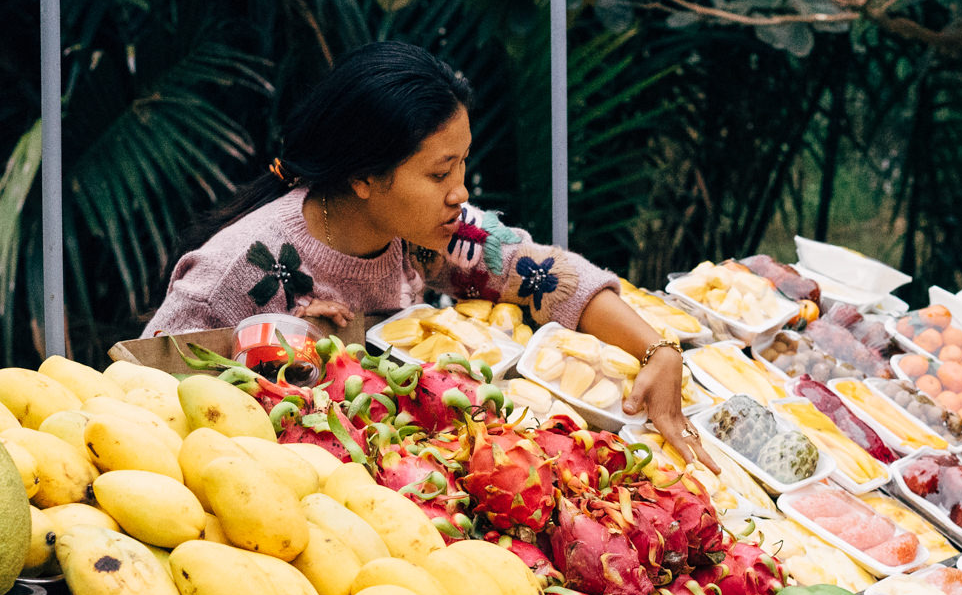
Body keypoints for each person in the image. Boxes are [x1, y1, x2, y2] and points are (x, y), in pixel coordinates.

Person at [145, 41, 712, 464]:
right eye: (440, 171)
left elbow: (543, 275)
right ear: (365, 177)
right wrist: (273, 359)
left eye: (463, 164)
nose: (460, 192)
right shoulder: (244, 269)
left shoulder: (429, 234)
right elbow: (140, 392)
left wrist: (658, 351)